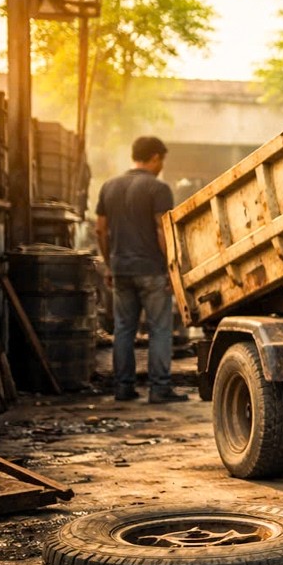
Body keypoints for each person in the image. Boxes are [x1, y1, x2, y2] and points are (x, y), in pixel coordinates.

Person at [95, 136, 187, 403]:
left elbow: (101, 229)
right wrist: (171, 267)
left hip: (121, 269)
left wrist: (110, 264)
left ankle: (123, 388)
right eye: (162, 161)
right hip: (151, 270)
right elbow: (161, 230)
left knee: (124, 329)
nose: (162, 167)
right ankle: (159, 389)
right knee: (160, 329)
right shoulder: (158, 189)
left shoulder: (109, 186)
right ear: (155, 157)